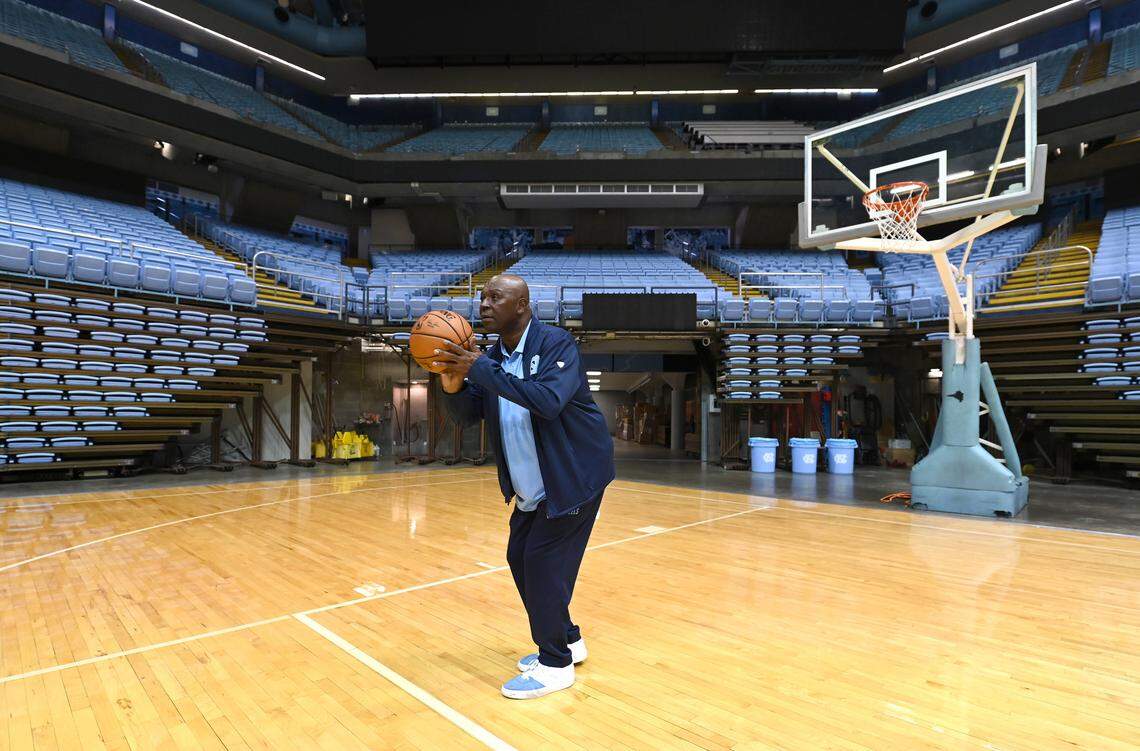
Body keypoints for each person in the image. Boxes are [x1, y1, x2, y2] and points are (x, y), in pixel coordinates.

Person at [431, 274, 615, 700]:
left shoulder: (555, 345)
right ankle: (567, 638)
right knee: (520, 557)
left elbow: (548, 401)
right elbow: (465, 415)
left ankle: (555, 664)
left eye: (496, 297)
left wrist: (479, 367)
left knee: (542, 564)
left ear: (523, 305)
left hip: (574, 477)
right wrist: (451, 379)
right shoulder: (494, 357)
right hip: (534, 485)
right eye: (482, 298)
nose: (484, 305)